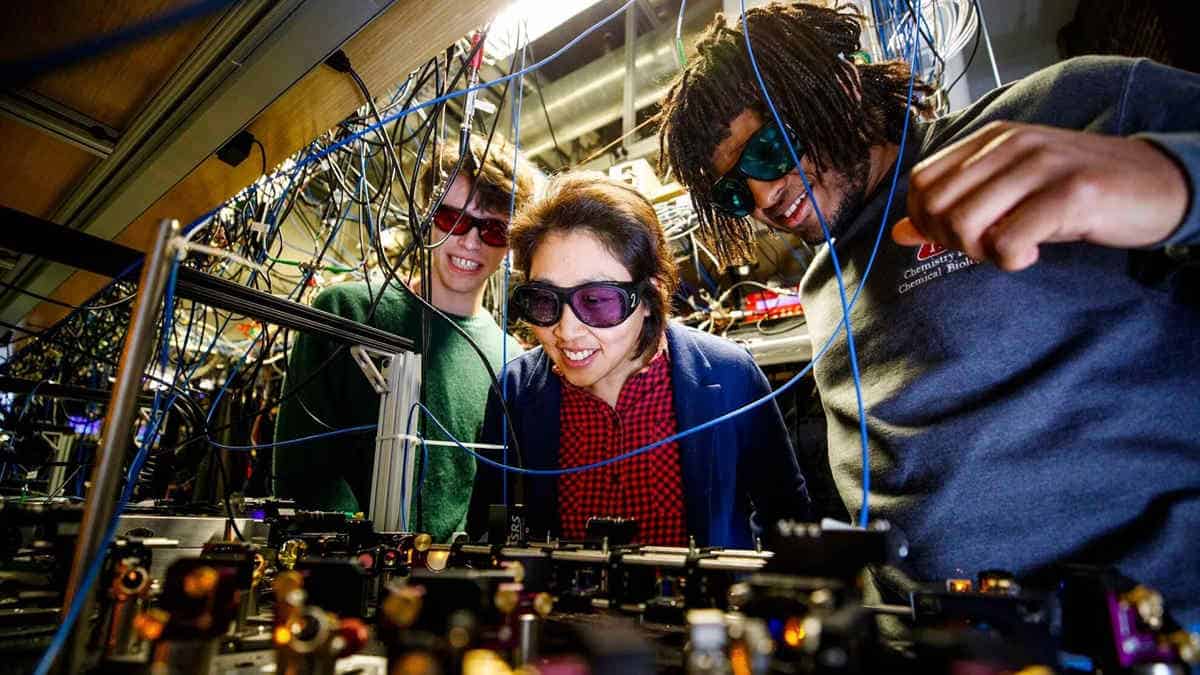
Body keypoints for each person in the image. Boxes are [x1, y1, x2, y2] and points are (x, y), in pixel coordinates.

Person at [656, 3, 1200, 621]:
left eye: (768, 149)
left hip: (1145, 633)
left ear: (842, 87)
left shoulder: (1058, 115)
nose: (762, 195)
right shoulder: (822, 290)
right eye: (733, 191)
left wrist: (1175, 178)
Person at [469, 172, 809, 548]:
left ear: (650, 296)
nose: (566, 331)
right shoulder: (514, 391)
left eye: (597, 301)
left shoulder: (732, 375)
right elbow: (489, 527)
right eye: (545, 300)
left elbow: (787, 519)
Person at [274, 136, 538, 542]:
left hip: (456, 586)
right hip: (343, 575)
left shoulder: (511, 360)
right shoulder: (346, 312)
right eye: (453, 219)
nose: (470, 242)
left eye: (494, 230)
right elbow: (301, 468)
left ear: (512, 244)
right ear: (425, 216)